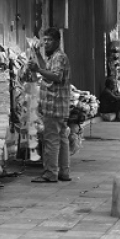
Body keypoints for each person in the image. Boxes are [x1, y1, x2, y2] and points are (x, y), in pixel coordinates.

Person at [28, 28, 72, 183]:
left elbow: (57, 76)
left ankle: (51, 173)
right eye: (44, 40)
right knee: (62, 138)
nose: (45, 43)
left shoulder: (59, 57)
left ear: (57, 41)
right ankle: (64, 172)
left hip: (54, 105)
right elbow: (47, 69)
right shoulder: (54, 57)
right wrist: (37, 55)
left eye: (49, 40)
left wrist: (38, 70)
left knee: (51, 140)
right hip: (58, 105)